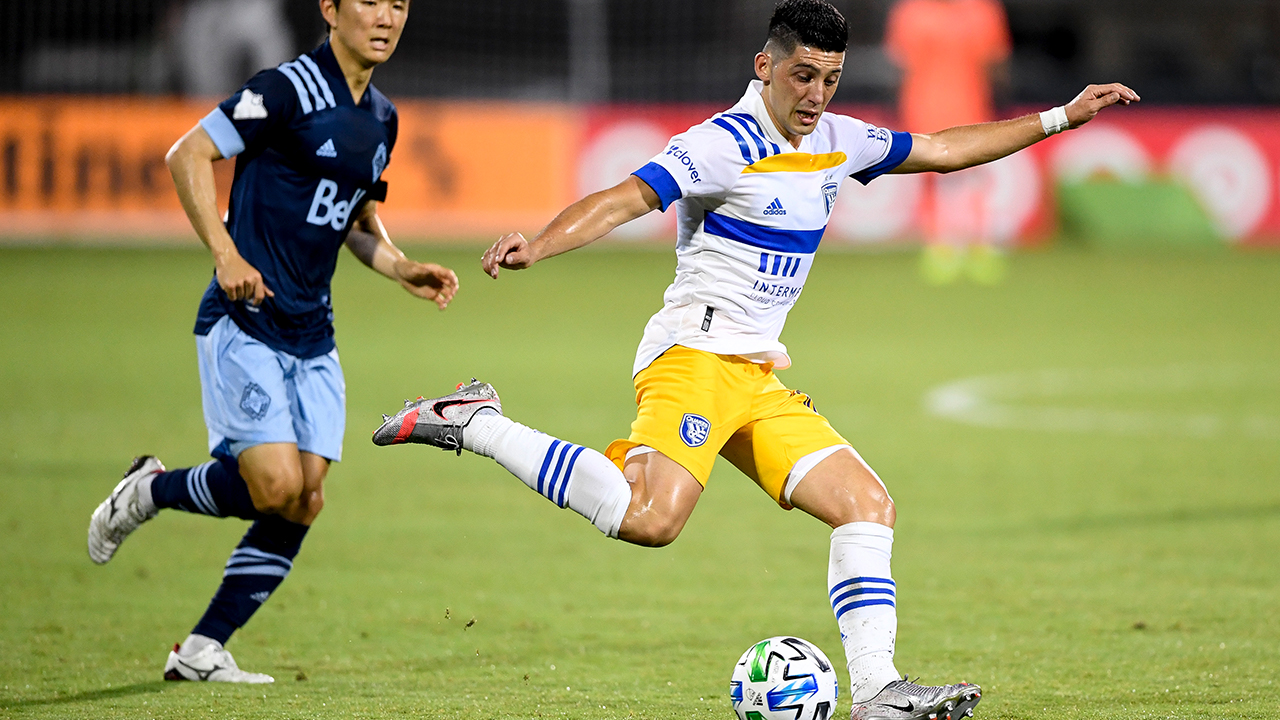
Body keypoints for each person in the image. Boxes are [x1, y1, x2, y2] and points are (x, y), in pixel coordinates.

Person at [374, 1, 1136, 717]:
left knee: (867, 507)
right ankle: (476, 422)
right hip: (693, 357)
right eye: (804, 75)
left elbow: (939, 150)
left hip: (756, 373)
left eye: (831, 78)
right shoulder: (720, 145)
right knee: (649, 519)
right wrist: (539, 242)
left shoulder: (840, 140)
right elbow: (626, 196)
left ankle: (878, 691)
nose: (817, 94)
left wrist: (1061, 116)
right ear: (765, 66)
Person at [88, 0, 457, 684]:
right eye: (370, 2)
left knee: (305, 497)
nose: (386, 17)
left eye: (399, 4)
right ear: (330, 9)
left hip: (313, 334)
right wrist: (225, 254)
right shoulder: (284, 90)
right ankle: (150, 491)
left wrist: (401, 264)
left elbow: (353, 219)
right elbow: (187, 153)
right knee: (275, 484)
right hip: (246, 318)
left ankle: (202, 650)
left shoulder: (383, 118)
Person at [885, 0, 1014, 284]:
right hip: (932, 107)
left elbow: (899, 67)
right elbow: (997, 64)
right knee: (943, 176)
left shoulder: (976, 10)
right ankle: (953, 247)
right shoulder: (918, 11)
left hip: (960, 106)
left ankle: (962, 247)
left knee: (966, 175)